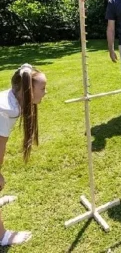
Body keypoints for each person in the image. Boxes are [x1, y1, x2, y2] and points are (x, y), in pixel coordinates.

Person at [0, 63, 47, 246]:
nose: (46, 92)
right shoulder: (5, 111)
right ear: (28, 90)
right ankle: (2, 236)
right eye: (42, 88)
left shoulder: (13, 100)